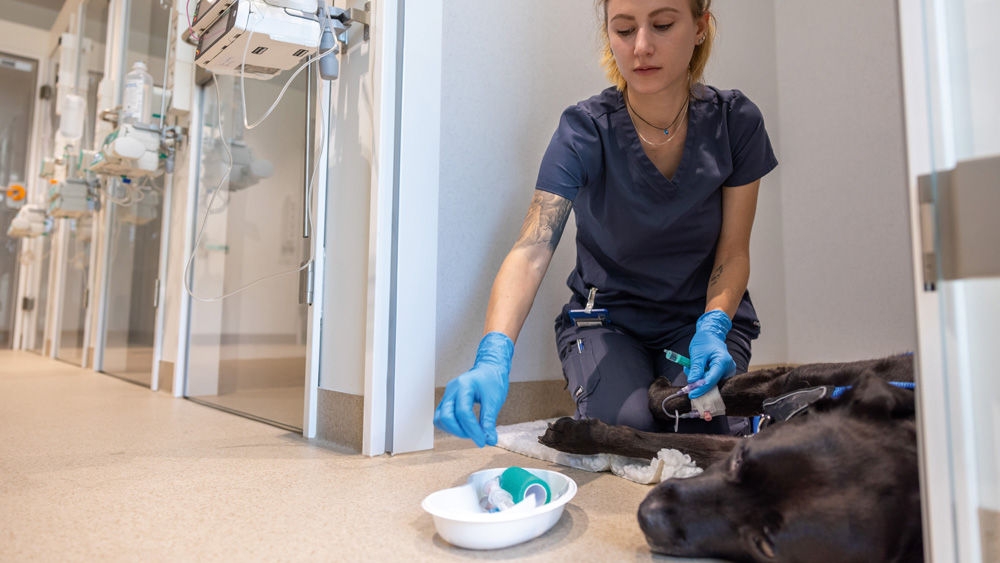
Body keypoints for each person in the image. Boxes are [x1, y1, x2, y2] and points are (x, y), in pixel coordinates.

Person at [434, 0, 777, 447]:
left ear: (699, 28)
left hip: (699, 320)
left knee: (699, 428)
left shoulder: (736, 123)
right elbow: (532, 249)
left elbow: (733, 252)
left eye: (663, 25)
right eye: (624, 29)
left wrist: (712, 328)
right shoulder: (585, 131)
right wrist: (493, 353)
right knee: (627, 429)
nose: (641, 46)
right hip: (608, 321)